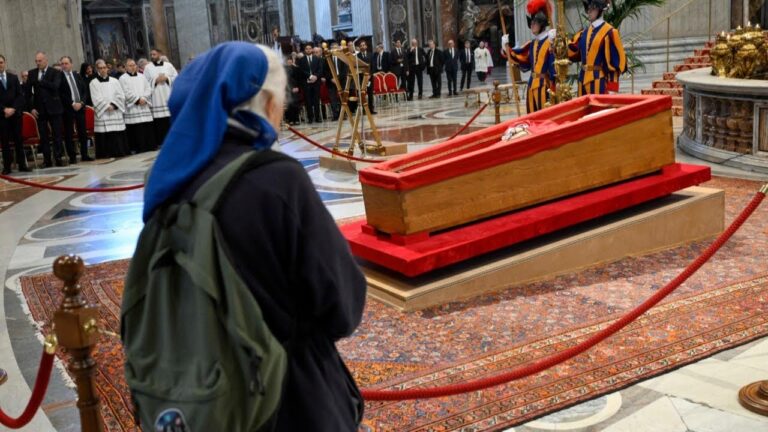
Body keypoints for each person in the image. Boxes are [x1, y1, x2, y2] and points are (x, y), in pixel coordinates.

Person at [141, 41, 366, 431]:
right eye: (281, 100)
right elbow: (342, 305)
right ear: (265, 103)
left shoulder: (164, 180)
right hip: (285, 401)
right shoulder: (277, 179)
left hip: (197, 395)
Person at [506, 0, 557, 113]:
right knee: (531, 116)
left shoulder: (550, 41)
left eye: (535, 23)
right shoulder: (533, 43)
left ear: (542, 24)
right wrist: (506, 48)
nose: (532, 25)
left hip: (544, 86)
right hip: (531, 84)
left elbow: (556, 65)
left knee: (544, 116)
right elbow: (524, 60)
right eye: (531, 23)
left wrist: (554, 45)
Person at [568, 0, 627, 95]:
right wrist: (557, 42)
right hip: (582, 81)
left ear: (600, 9)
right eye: (588, 8)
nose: (589, 11)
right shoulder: (583, 33)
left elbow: (615, 62)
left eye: (592, 8)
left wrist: (612, 87)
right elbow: (572, 51)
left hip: (599, 82)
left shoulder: (610, 32)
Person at [27, 51, 65, 167]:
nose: (38, 63)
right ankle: (47, 160)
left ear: (46, 60)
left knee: (57, 135)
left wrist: (41, 81)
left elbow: (55, 86)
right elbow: (28, 93)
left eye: (40, 61)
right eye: (36, 61)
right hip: (39, 110)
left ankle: (58, 158)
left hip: (54, 108)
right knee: (43, 137)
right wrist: (31, 108)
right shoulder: (32, 73)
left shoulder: (55, 72)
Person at [90, 59, 129, 158]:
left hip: (115, 111)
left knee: (117, 132)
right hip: (104, 113)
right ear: (97, 70)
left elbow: (121, 95)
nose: (103, 70)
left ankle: (119, 151)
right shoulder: (93, 83)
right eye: (100, 68)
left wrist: (114, 105)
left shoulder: (115, 81)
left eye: (104, 68)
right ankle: (106, 154)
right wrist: (107, 106)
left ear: (107, 68)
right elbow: (95, 98)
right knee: (105, 133)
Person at [59, 56, 93, 163]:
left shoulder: (76, 75)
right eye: (62, 64)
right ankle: (72, 157)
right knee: (69, 134)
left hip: (80, 107)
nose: (64, 65)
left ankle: (85, 155)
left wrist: (82, 103)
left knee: (82, 132)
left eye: (66, 63)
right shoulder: (59, 77)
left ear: (71, 64)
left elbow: (84, 90)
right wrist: (72, 103)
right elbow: (61, 94)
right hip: (68, 109)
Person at [0, 54, 30, 174]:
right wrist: (4, 110)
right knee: (5, 142)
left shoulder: (13, 77)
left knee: (18, 140)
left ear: (5, 63)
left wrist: (13, 109)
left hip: (15, 114)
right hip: (2, 116)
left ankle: (22, 165)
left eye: (1, 62)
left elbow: (20, 96)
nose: (0, 65)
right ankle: (7, 167)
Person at [119, 58, 156, 153]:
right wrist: (138, 100)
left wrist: (144, 98)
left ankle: (149, 146)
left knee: (146, 127)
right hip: (133, 107)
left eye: (134, 65)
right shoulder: (122, 78)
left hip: (144, 105)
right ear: (126, 67)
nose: (133, 67)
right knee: (136, 129)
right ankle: (138, 147)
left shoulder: (142, 76)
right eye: (130, 65)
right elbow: (125, 92)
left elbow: (148, 89)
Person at [143, 48, 177, 147]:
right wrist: (155, 80)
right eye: (151, 55)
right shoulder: (148, 67)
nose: (152, 56)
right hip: (156, 96)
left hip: (168, 94)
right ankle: (161, 142)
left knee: (170, 119)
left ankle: (173, 141)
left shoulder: (168, 65)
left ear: (160, 54)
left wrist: (167, 78)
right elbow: (144, 82)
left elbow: (176, 77)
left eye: (154, 54)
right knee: (159, 121)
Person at [297, 43, 323, 123]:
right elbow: (301, 71)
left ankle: (317, 117)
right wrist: (310, 76)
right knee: (308, 101)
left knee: (316, 100)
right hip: (306, 82)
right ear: (305, 50)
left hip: (316, 82)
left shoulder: (317, 59)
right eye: (306, 49)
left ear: (312, 49)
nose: (308, 50)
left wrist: (316, 77)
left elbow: (320, 69)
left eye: (309, 48)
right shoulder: (301, 60)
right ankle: (310, 118)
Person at [325, 42, 347, 121]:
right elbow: (325, 71)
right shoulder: (327, 58)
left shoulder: (342, 57)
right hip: (331, 82)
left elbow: (345, 70)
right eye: (333, 48)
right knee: (333, 99)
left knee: (342, 98)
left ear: (338, 48)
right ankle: (335, 115)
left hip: (341, 81)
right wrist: (331, 78)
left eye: (336, 48)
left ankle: (343, 114)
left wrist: (338, 79)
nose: (335, 49)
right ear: (330, 49)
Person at [356, 41, 375, 114]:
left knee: (370, 94)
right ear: (359, 47)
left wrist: (370, 75)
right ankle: (364, 110)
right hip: (361, 78)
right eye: (361, 45)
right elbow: (357, 67)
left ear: (366, 46)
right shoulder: (357, 56)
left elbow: (373, 66)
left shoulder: (371, 55)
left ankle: (371, 109)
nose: (362, 47)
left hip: (370, 77)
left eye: (364, 45)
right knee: (362, 94)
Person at [285, 56, 302, 125]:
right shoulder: (283, 69)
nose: (289, 61)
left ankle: (296, 119)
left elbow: (299, 79)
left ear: (292, 61)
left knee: (296, 104)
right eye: (288, 60)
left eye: (290, 60)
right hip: (288, 89)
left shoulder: (296, 68)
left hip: (295, 88)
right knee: (289, 105)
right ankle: (290, 120)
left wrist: (297, 87)